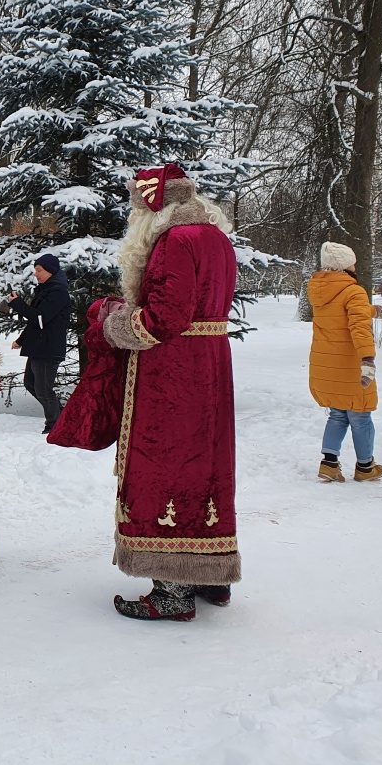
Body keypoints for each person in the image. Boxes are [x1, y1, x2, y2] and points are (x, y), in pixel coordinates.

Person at [97, 163, 240, 622]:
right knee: (207, 467)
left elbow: (163, 319)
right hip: (211, 367)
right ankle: (209, 576)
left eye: (136, 206)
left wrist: (111, 320)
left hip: (174, 375)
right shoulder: (216, 237)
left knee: (168, 466)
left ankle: (172, 589)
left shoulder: (174, 241)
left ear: (153, 206)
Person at [308, 242, 382, 482]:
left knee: (338, 414)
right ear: (345, 265)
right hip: (349, 364)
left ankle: (329, 464)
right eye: (353, 261)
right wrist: (368, 358)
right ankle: (365, 467)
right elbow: (358, 327)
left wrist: (372, 310)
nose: (355, 265)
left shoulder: (320, 290)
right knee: (360, 414)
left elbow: (342, 314)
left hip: (325, 364)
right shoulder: (353, 291)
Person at [7, 254, 70, 433]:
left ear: (50, 271)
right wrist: (21, 340)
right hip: (39, 347)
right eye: (35, 270)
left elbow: (40, 317)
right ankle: (61, 415)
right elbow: (36, 322)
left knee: (43, 390)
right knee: (31, 384)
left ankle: (54, 425)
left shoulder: (58, 292)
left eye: (39, 270)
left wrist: (18, 304)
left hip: (48, 348)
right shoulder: (45, 290)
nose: (36, 274)